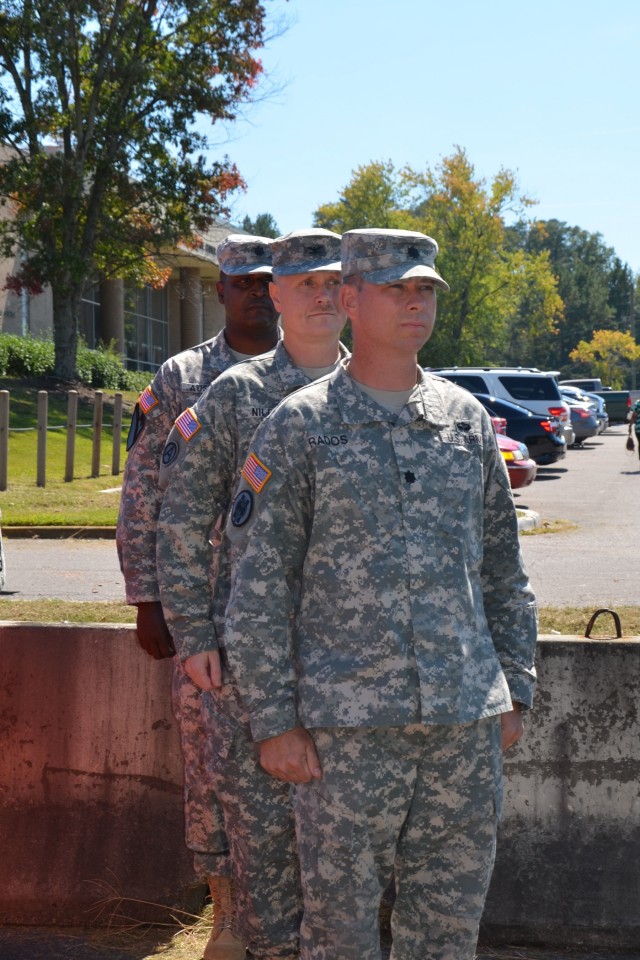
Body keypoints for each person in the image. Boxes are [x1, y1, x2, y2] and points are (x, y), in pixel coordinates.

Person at [222, 228, 538, 960]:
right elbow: (258, 587)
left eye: (423, 289)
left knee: (447, 933)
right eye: (395, 288)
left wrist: (515, 690)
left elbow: (503, 571)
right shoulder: (299, 427)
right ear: (350, 299)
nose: (414, 303)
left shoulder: (466, 423)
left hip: (463, 725)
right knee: (339, 936)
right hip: (346, 736)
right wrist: (274, 720)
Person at [156, 227, 347, 960]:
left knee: (343, 866)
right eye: (306, 284)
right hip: (251, 666)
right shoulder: (234, 396)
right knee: (263, 849)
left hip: (348, 670)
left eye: (336, 283)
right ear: (275, 294)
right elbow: (179, 518)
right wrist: (195, 633)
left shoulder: (375, 390)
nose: (324, 296)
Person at [116, 233, 279, 960]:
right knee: (210, 768)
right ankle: (224, 918)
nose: (256, 292)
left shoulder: (318, 371)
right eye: (242, 281)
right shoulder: (184, 376)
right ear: (218, 289)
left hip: (295, 614)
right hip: (202, 609)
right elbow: (145, 489)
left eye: (268, 281)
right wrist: (148, 597)